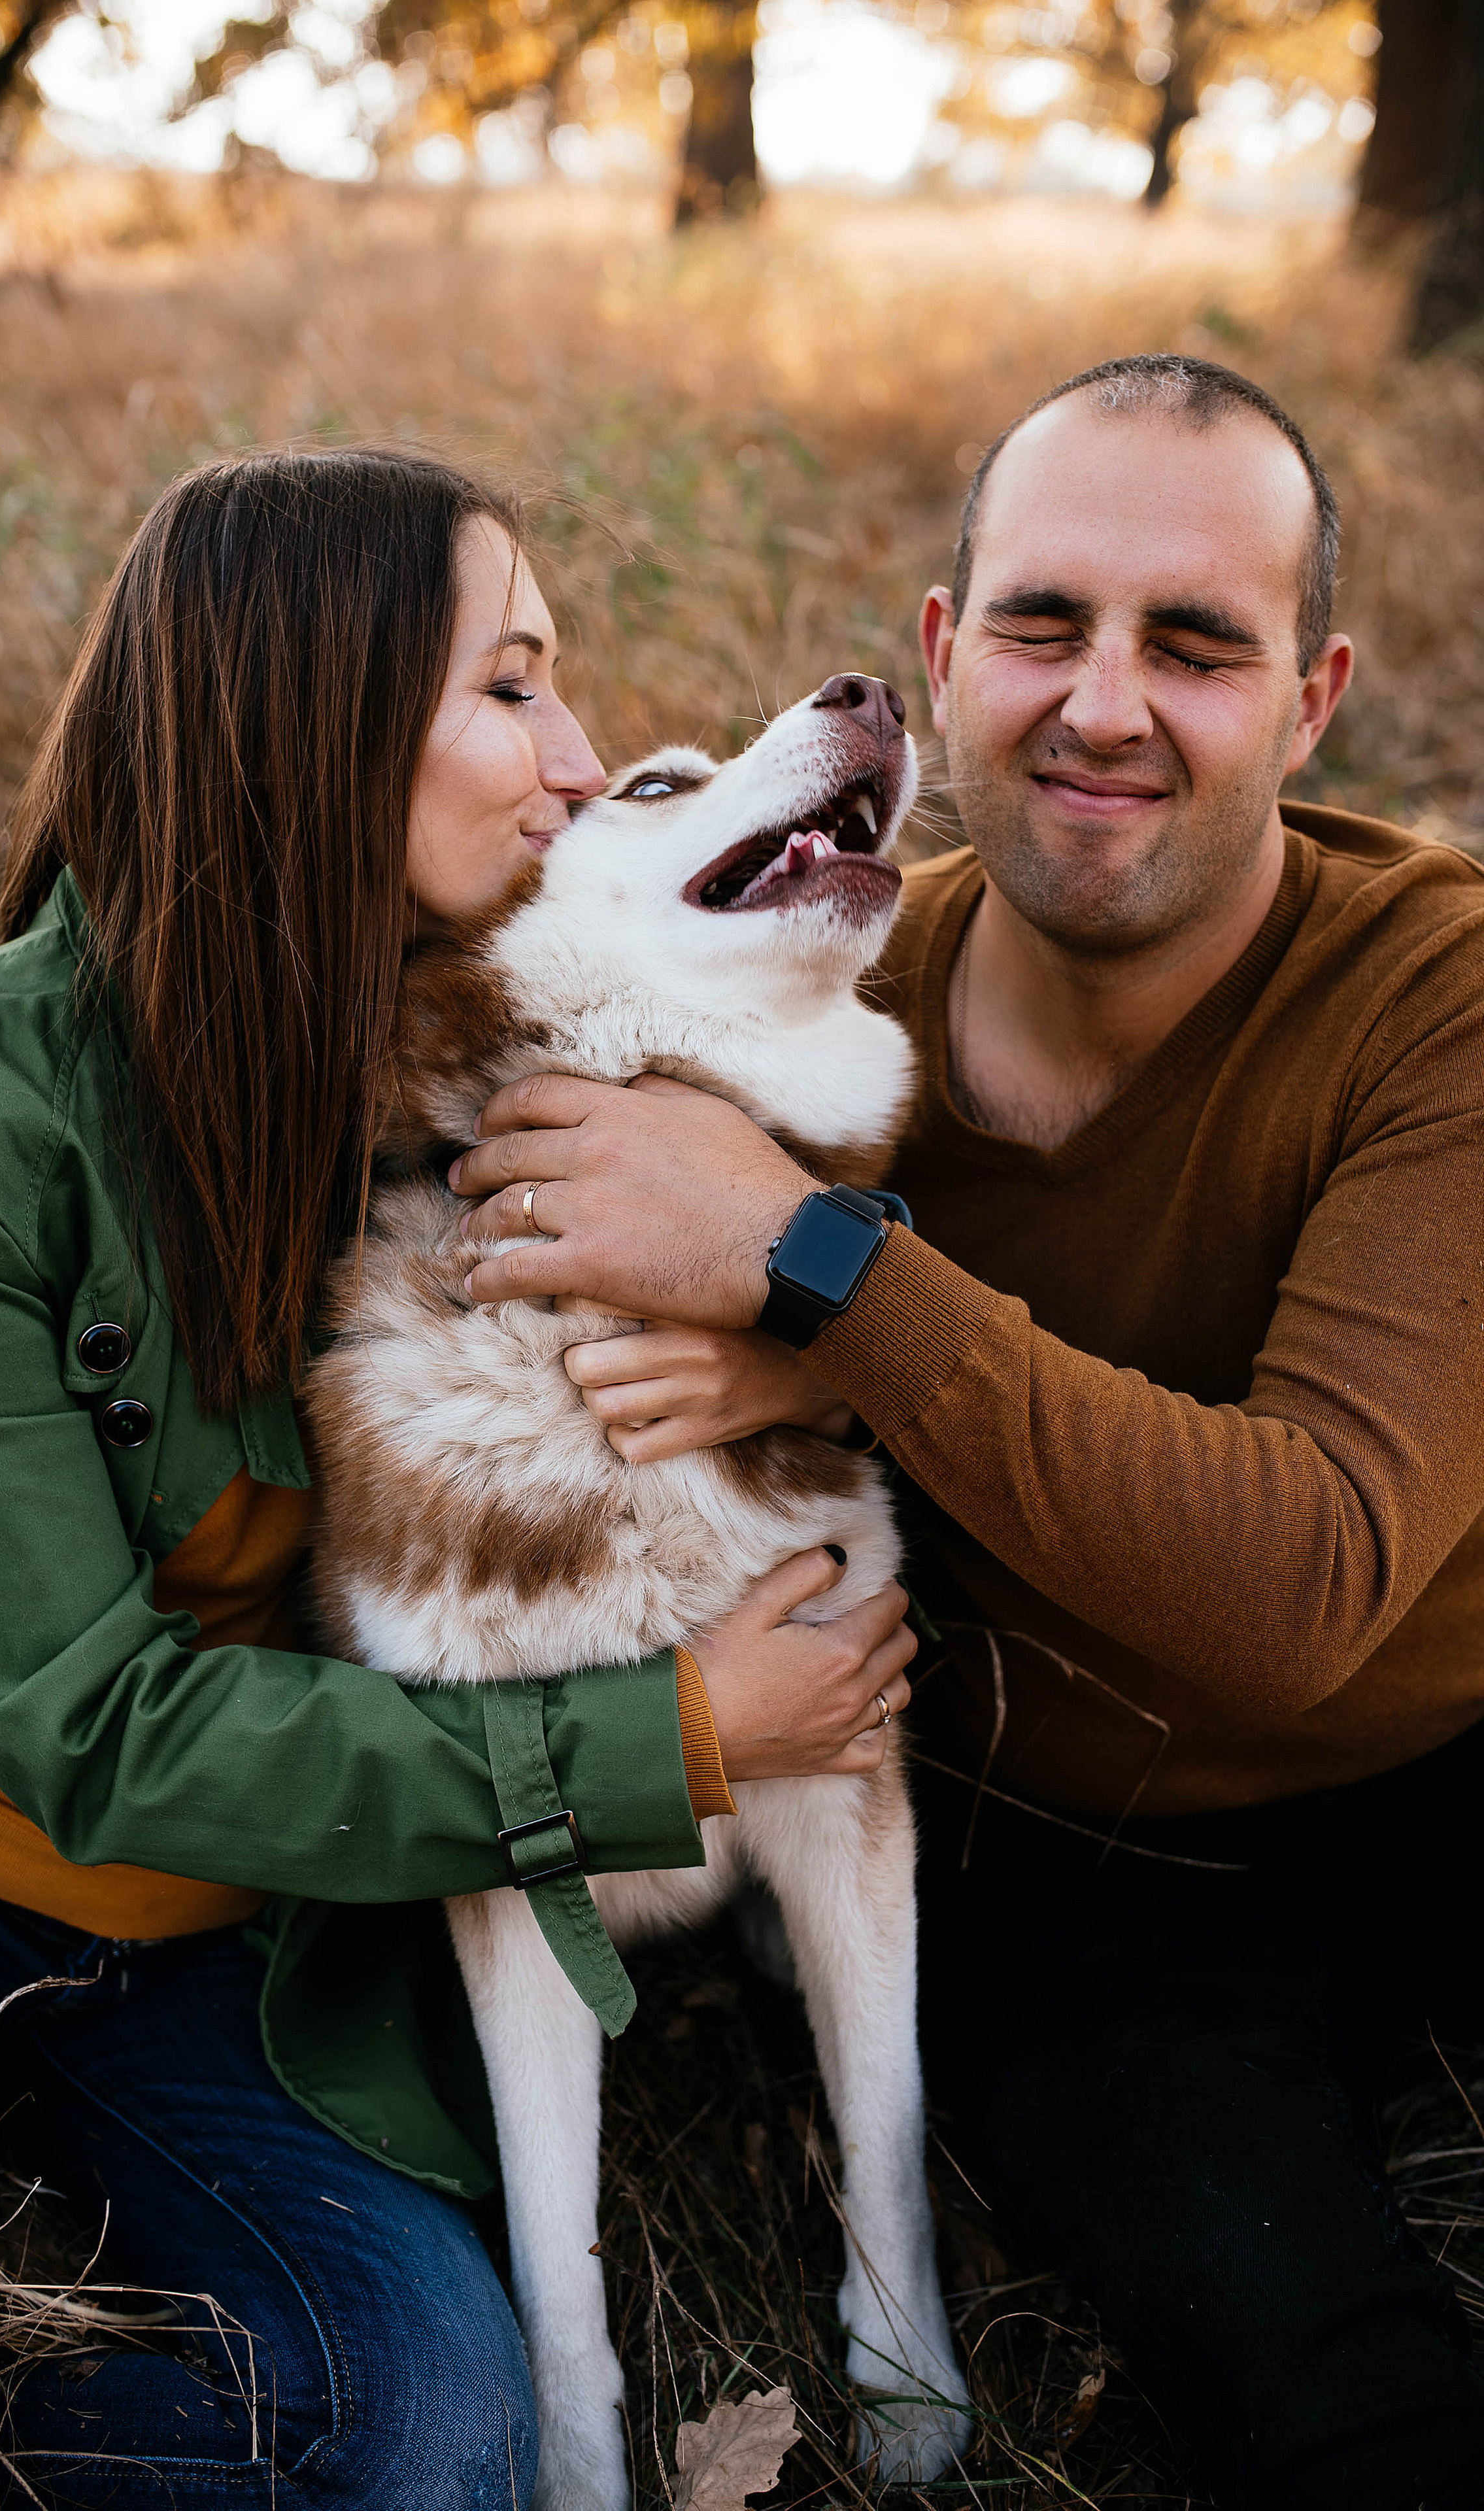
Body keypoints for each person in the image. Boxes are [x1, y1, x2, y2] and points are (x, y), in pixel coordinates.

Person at [0, 448, 919, 2510]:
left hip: (250, 1931)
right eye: (514, 689)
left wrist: (794, 1315)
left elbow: (787, 1095)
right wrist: (665, 1738)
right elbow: (82, 1729)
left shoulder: (487, 1033)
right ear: (308, 723)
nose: (580, 763)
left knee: (434, 2453)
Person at [447, 354, 1484, 2509]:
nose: (1105, 703)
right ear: (945, 652)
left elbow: (1305, 1589)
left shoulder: (1435, 998)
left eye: (1198, 646)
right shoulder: (783, 984)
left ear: (1313, 701)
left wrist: (828, 1288)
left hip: (1446, 1736)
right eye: (1044, 624)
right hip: (1094, 1865)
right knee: (1318, 2385)